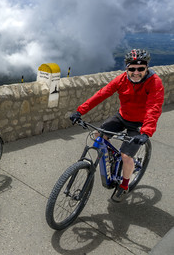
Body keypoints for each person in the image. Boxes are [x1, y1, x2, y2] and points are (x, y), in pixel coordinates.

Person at [70, 49, 164, 202]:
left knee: (126, 156)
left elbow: (154, 108)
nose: (136, 72)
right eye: (131, 69)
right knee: (98, 136)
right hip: (122, 116)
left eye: (141, 69)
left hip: (139, 124)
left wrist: (146, 132)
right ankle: (112, 159)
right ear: (126, 68)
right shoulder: (121, 80)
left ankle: (124, 185)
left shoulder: (155, 83)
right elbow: (101, 94)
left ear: (147, 68)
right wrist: (80, 111)